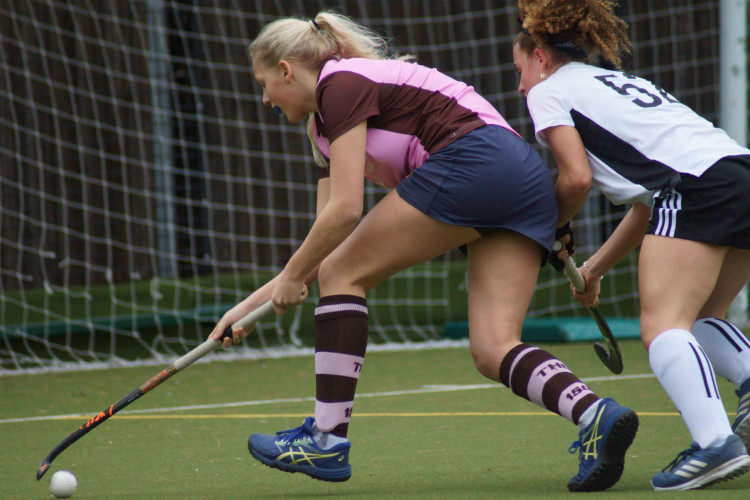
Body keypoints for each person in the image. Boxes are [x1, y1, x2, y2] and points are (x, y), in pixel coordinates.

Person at [209, 11, 638, 491]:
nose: (265, 97)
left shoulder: (340, 83)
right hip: (520, 180)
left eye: (264, 83)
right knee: (492, 347)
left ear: (287, 70)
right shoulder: (325, 127)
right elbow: (321, 241)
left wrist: (298, 276)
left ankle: (326, 439)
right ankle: (596, 414)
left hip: (472, 163)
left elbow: (346, 212)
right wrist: (244, 310)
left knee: (343, 273)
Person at [513, 0, 750, 492]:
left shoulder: (550, 91)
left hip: (692, 187)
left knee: (662, 325)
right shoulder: (617, 83)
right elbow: (644, 210)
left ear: (539, 57)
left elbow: (575, 180)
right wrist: (594, 268)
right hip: (737, 174)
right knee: (701, 318)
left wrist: (549, 228)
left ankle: (715, 445)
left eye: (520, 71)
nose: (520, 86)